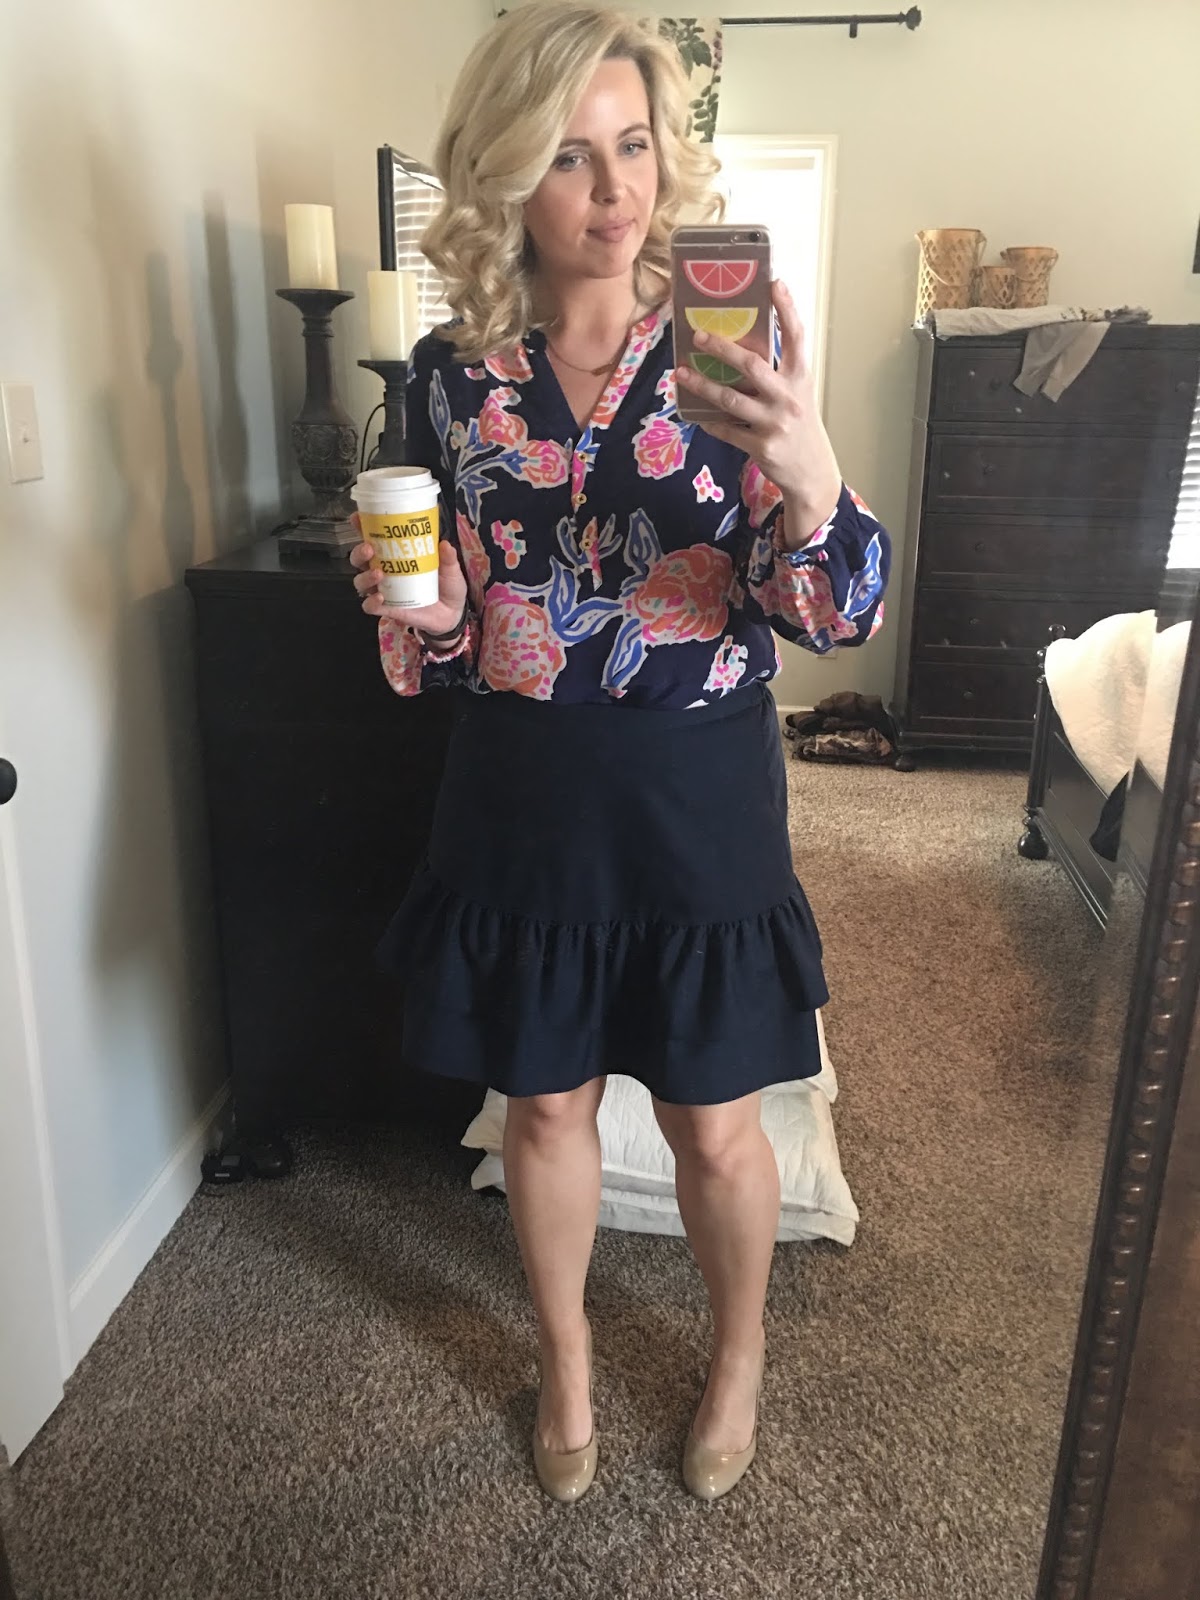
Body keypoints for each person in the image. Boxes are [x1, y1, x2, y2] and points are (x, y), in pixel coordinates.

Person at [349, 0, 890, 1505]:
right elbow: (445, 621)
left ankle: (738, 1356)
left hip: (695, 789)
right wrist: (431, 608)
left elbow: (829, 609)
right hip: (520, 793)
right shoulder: (449, 378)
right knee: (545, 1101)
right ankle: (569, 1361)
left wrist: (809, 475)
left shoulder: (727, 346)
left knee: (717, 1117)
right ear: (507, 175)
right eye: (571, 157)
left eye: (634, 146)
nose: (615, 192)